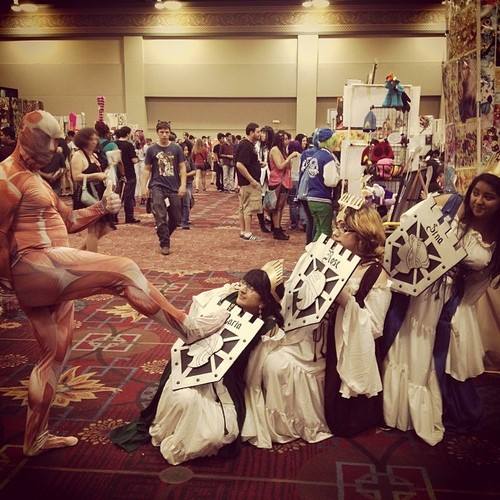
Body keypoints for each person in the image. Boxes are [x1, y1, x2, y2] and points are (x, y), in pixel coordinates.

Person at [0, 111, 226, 457]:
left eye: (58, 142)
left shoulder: (33, 178)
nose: (55, 149)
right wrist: (6, 282)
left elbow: (69, 220)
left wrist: (101, 208)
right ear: (26, 135)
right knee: (125, 270)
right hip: (35, 266)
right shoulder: (7, 177)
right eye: (49, 141)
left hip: (45, 270)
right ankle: (187, 328)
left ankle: (35, 438)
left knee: (53, 356)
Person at [242, 206, 391, 447]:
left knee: (277, 364)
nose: (335, 233)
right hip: (308, 334)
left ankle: (293, 423)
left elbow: (374, 327)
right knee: (264, 354)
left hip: (337, 348)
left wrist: (345, 300)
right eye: (336, 226)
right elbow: (299, 297)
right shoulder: (327, 256)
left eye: (344, 228)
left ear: (362, 236)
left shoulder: (375, 274)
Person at [111, 260, 285, 465]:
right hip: (196, 368)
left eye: (253, 288)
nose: (243, 289)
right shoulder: (223, 304)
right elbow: (192, 330)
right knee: (184, 399)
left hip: (225, 385)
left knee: (212, 435)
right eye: (245, 283)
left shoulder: (266, 328)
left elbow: (253, 373)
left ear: (263, 302)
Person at [382, 172, 500, 446]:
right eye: (476, 193)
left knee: (428, 353)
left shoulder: (496, 237)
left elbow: (480, 282)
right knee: (405, 342)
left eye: (489, 197)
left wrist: (461, 309)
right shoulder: (451, 203)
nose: (478, 201)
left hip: (447, 302)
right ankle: (393, 409)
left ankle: (419, 412)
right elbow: (409, 221)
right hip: (418, 289)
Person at [142, 121, 187, 256]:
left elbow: (182, 167)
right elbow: (147, 169)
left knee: (176, 218)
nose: (164, 135)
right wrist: (143, 187)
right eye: (161, 132)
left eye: (167, 132)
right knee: (160, 215)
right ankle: (165, 243)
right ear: (157, 133)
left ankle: (164, 233)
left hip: (174, 186)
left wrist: (183, 185)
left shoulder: (176, 149)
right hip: (157, 186)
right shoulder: (151, 150)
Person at [70, 128, 115, 252]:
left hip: (98, 192)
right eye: (91, 139)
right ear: (83, 140)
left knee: (105, 227)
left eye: (96, 139)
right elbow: (76, 176)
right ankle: (92, 258)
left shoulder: (94, 155)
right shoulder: (78, 155)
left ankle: (78, 253)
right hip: (88, 194)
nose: (94, 142)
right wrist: (95, 176)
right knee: (93, 229)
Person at [305, 128, 341, 241]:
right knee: (325, 232)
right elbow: (330, 181)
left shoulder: (316, 155)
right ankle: (317, 251)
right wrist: (338, 177)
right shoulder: (328, 158)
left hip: (312, 198)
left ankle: (312, 249)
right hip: (323, 199)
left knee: (319, 230)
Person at [268, 131, 300, 240]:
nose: (287, 141)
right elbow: (280, 166)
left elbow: (288, 166)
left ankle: (278, 227)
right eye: (285, 139)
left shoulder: (282, 150)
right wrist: (290, 156)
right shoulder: (275, 150)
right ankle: (276, 229)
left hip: (284, 181)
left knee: (281, 207)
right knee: (276, 207)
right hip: (277, 181)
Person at [235, 122, 262, 241]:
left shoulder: (247, 145)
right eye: (258, 132)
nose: (259, 134)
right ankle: (248, 232)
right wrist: (252, 180)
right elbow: (239, 164)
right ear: (251, 132)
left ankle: (243, 231)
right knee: (248, 208)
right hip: (248, 183)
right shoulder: (246, 145)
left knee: (243, 207)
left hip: (245, 182)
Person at [115, 126, 140, 224]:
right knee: (128, 197)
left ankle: (113, 217)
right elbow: (134, 160)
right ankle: (129, 217)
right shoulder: (129, 145)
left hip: (117, 174)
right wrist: (138, 158)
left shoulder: (114, 144)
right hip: (129, 174)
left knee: (117, 196)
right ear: (128, 134)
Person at [256, 126, 274, 234]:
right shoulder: (257, 145)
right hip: (260, 177)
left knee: (271, 201)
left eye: (264, 133)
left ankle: (273, 223)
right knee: (260, 201)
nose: (261, 135)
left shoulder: (272, 147)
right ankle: (262, 224)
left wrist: (266, 163)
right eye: (261, 132)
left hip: (270, 176)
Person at [181, 144, 196, 229]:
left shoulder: (189, 159)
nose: (186, 152)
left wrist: (185, 175)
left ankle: (185, 220)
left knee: (188, 201)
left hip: (188, 183)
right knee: (179, 202)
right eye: (184, 150)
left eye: (187, 150)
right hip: (178, 183)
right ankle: (182, 219)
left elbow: (194, 171)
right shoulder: (176, 160)